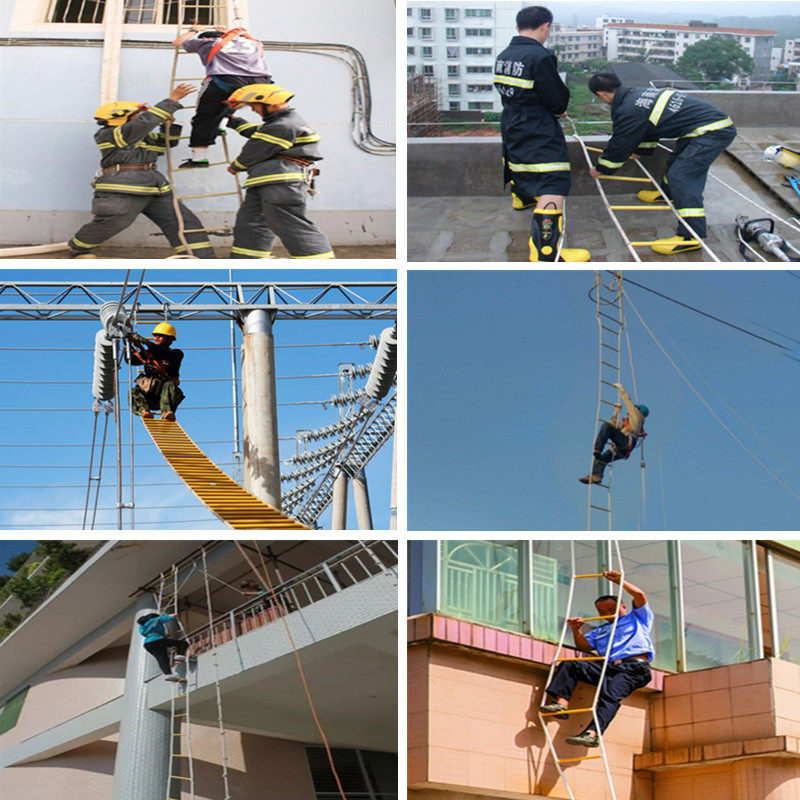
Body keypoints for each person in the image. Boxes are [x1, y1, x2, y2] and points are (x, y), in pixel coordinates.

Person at [588, 73, 737, 255]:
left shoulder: (629, 109)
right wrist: (641, 151)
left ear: (601, 94)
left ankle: (692, 236)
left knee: (682, 176)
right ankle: (667, 195)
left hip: (713, 131)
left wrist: (601, 168)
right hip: (702, 128)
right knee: (675, 163)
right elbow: (650, 128)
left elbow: (620, 143)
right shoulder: (636, 95)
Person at [69, 84, 215, 259]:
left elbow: (165, 143)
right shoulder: (110, 134)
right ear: (120, 118)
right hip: (124, 187)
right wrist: (172, 100)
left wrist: (169, 126)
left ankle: (202, 259)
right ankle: (79, 249)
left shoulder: (139, 136)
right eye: (136, 115)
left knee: (183, 222)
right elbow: (145, 122)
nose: (140, 117)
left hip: (154, 187)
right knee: (114, 222)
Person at [493, 6, 590, 262]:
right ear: (546, 26)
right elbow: (557, 101)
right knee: (553, 180)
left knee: (519, 163)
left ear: (518, 27)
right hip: (536, 127)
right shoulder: (540, 57)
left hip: (512, 122)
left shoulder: (504, 55)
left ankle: (521, 197)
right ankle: (546, 250)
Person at [540, 570, 653, 747]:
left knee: (609, 696)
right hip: (608, 667)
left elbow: (639, 595)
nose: (607, 613)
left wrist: (620, 582)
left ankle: (592, 734)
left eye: (612, 609)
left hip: (633, 668)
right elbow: (584, 646)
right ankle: (561, 703)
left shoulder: (637, 618)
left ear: (623, 607)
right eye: (602, 611)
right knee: (572, 666)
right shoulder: (599, 631)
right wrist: (577, 629)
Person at [224, 83, 334, 258]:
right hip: (268, 182)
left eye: (254, 105)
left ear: (272, 104)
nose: (252, 109)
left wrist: (236, 166)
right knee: (251, 223)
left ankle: (323, 270)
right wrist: (233, 120)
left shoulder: (283, 125)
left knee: (290, 224)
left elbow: (255, 149)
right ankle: (245, 262)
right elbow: (256, 133)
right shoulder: (281, 123)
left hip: (281, 183)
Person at [172, 25, 273, 168]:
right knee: (233, 100)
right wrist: (232, 32)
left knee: (205, 116)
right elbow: (260, 49)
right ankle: (222, 125)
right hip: (261, 82)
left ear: (206, 37)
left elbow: (177, 42)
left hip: (227, 79)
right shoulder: (252, 43)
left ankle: (199, 159)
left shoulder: (207, 42)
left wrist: (194, 30)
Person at [579, 382, 648, 485]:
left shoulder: (638, 416)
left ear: (638, 410)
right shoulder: (630, 423)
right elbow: (613, 427)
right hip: (622, 448)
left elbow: (627, 401)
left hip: (626, 442)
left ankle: (598, 448)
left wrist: (622, 389)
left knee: (605, 426)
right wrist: (616, 412)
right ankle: (596, 476)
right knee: (601, 459)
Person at [128, 323, 185, 421]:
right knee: (133, 391)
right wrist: (127, 345)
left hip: (166, 397)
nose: (156, 338)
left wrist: (145, 342)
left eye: (160, 336)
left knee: (169, 384)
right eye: (155, 336)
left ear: (170, 339)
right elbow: (132, 361)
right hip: (149, 395)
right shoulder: (148, 353)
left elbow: (163, 352)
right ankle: (144, 411)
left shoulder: (176, 353)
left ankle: (167, 412)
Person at [136, 611, 190, 682]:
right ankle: (179, 655)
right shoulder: (155, 620)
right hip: (157, 640)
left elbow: (146, 632)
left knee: (161, 658)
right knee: (183, 643)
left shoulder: (142, 626)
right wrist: (175, 614)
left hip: (148, 644)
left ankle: (168, 674)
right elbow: (166, 618)